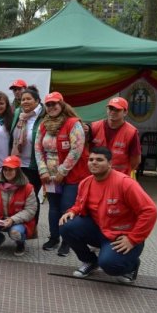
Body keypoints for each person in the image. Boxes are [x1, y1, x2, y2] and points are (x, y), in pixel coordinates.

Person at [59, 147, 157, 283]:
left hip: (122, 236)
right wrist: (72, 211)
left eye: (99, 160)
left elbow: (150, 210)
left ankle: (132, 265)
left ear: (110, 163)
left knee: (110, 265)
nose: (94, 162)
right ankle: (90, 262)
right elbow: (79, 204)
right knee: (66, 226)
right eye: (91, 159)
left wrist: (133, 239)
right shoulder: (85, 183)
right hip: (100, 230)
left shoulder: (125, 183)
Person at [35, 91, 89, 257]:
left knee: (67, 207)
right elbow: (38, 148)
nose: (51, 107)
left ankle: (67, 241)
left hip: (72, 176)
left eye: (54, 104)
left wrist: (62, 171)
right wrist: (43, 170)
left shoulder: (73, 123)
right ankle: (54, 237)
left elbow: (77, 149)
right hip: (50, 177)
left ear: (62, 105)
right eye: (48, 105)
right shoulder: (43, 124)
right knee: (53, 208)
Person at [0, 155, 37, 256]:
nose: (7, 172)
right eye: (5, 169)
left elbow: (30, 210)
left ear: (18, 171)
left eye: (10, 169)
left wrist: (12, 220)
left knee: (16, 232)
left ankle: (20, 243)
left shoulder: (27, 188)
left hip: (17, 221)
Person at [10, 85, 46, 223]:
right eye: (23, 99)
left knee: (31, 196)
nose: (25, 101)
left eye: (28, 99)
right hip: (18, 163)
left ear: (37, 100)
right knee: (18, 196)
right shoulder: (19, 112)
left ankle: (32, 226)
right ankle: (18, 224)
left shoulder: (44, 115)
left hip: (34, 164)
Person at [90, 97, 141, 175]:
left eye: (117, 110)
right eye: (110, 108)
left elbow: (136, 160)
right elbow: (87, 151)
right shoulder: (94, 127)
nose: (113, 112)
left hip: (120, 177)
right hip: (97, 176)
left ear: (125, 112)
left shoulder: (131, 132)